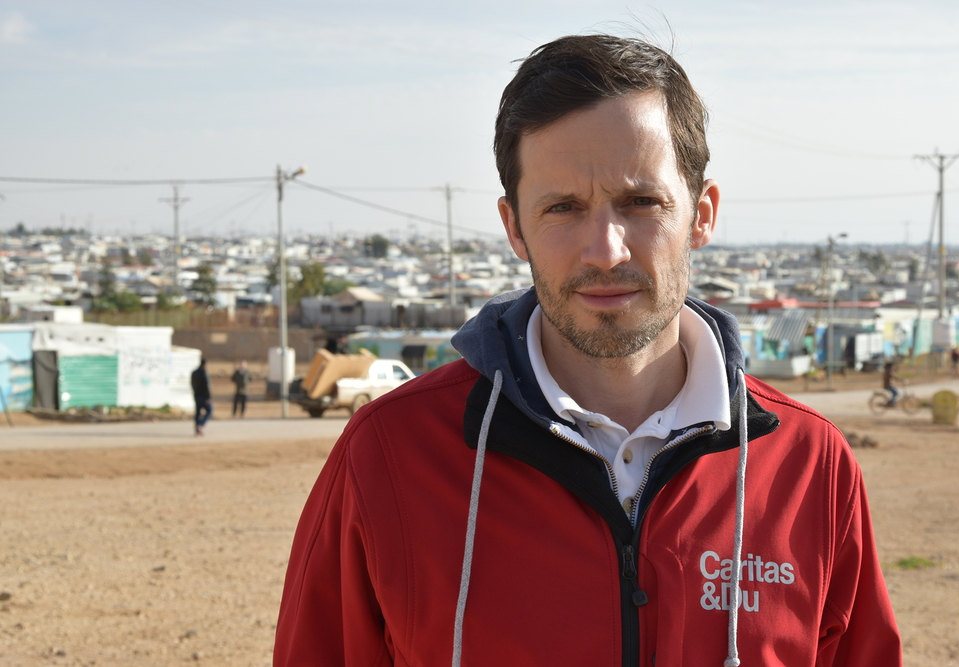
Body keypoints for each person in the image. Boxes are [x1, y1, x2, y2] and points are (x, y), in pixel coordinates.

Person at [274, 34, 901, 667]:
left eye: (641, 203)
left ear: (702, 214)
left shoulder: (808, 465)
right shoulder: (390, 454)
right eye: (563, 208)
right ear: (514, 227)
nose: (606, 250)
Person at [190, 357, 212, 436]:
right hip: (203, 396)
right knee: (209, 410)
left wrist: (195, 393)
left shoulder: (194, 372)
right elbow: (207, 386)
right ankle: (200, 425)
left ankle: (197, 428)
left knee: (198, 412)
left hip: (196, 395)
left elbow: (192, 384)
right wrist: (208, 397)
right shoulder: (204, 372)